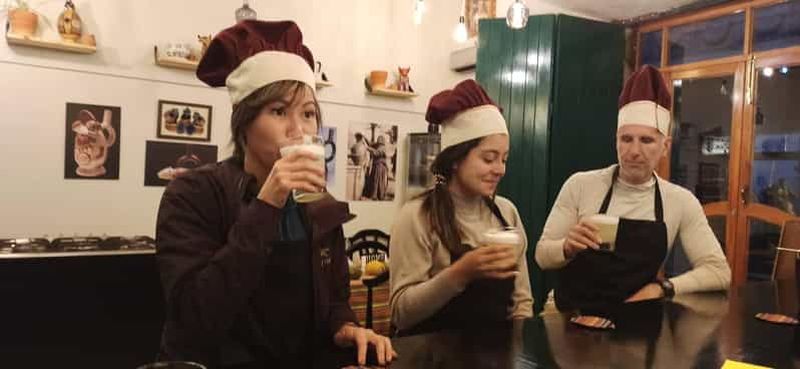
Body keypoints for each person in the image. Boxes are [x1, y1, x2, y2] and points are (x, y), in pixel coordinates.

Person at [155, 20, 395, 368]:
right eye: (279, 111)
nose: (299, 130)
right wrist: (267, 202)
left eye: (309, 114)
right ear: (244, 125)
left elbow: (336, 299)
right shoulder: (192, 193)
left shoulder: (318, 203)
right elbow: (194, 318)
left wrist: (345, 327)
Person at [535, 66, 731, 312]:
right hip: (569, 317)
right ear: (616, 140)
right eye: (626, 139)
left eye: (646, 140)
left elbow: (719, 271)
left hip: (636, 324)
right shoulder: (581, 185)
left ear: (665, 146)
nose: (634, 151)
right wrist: (566, 246)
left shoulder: (680, 201)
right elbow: (542, 256)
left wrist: (663, 288)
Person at [389, 79, 534, 335]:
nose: (500, 169)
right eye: (489, 158)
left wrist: (519, 352)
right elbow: (401, 314)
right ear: (455, 159)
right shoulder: (417, 216)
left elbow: (521, 302)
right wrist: (461, 273)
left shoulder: (506, 213)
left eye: (504, 159)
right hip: (431, 360)